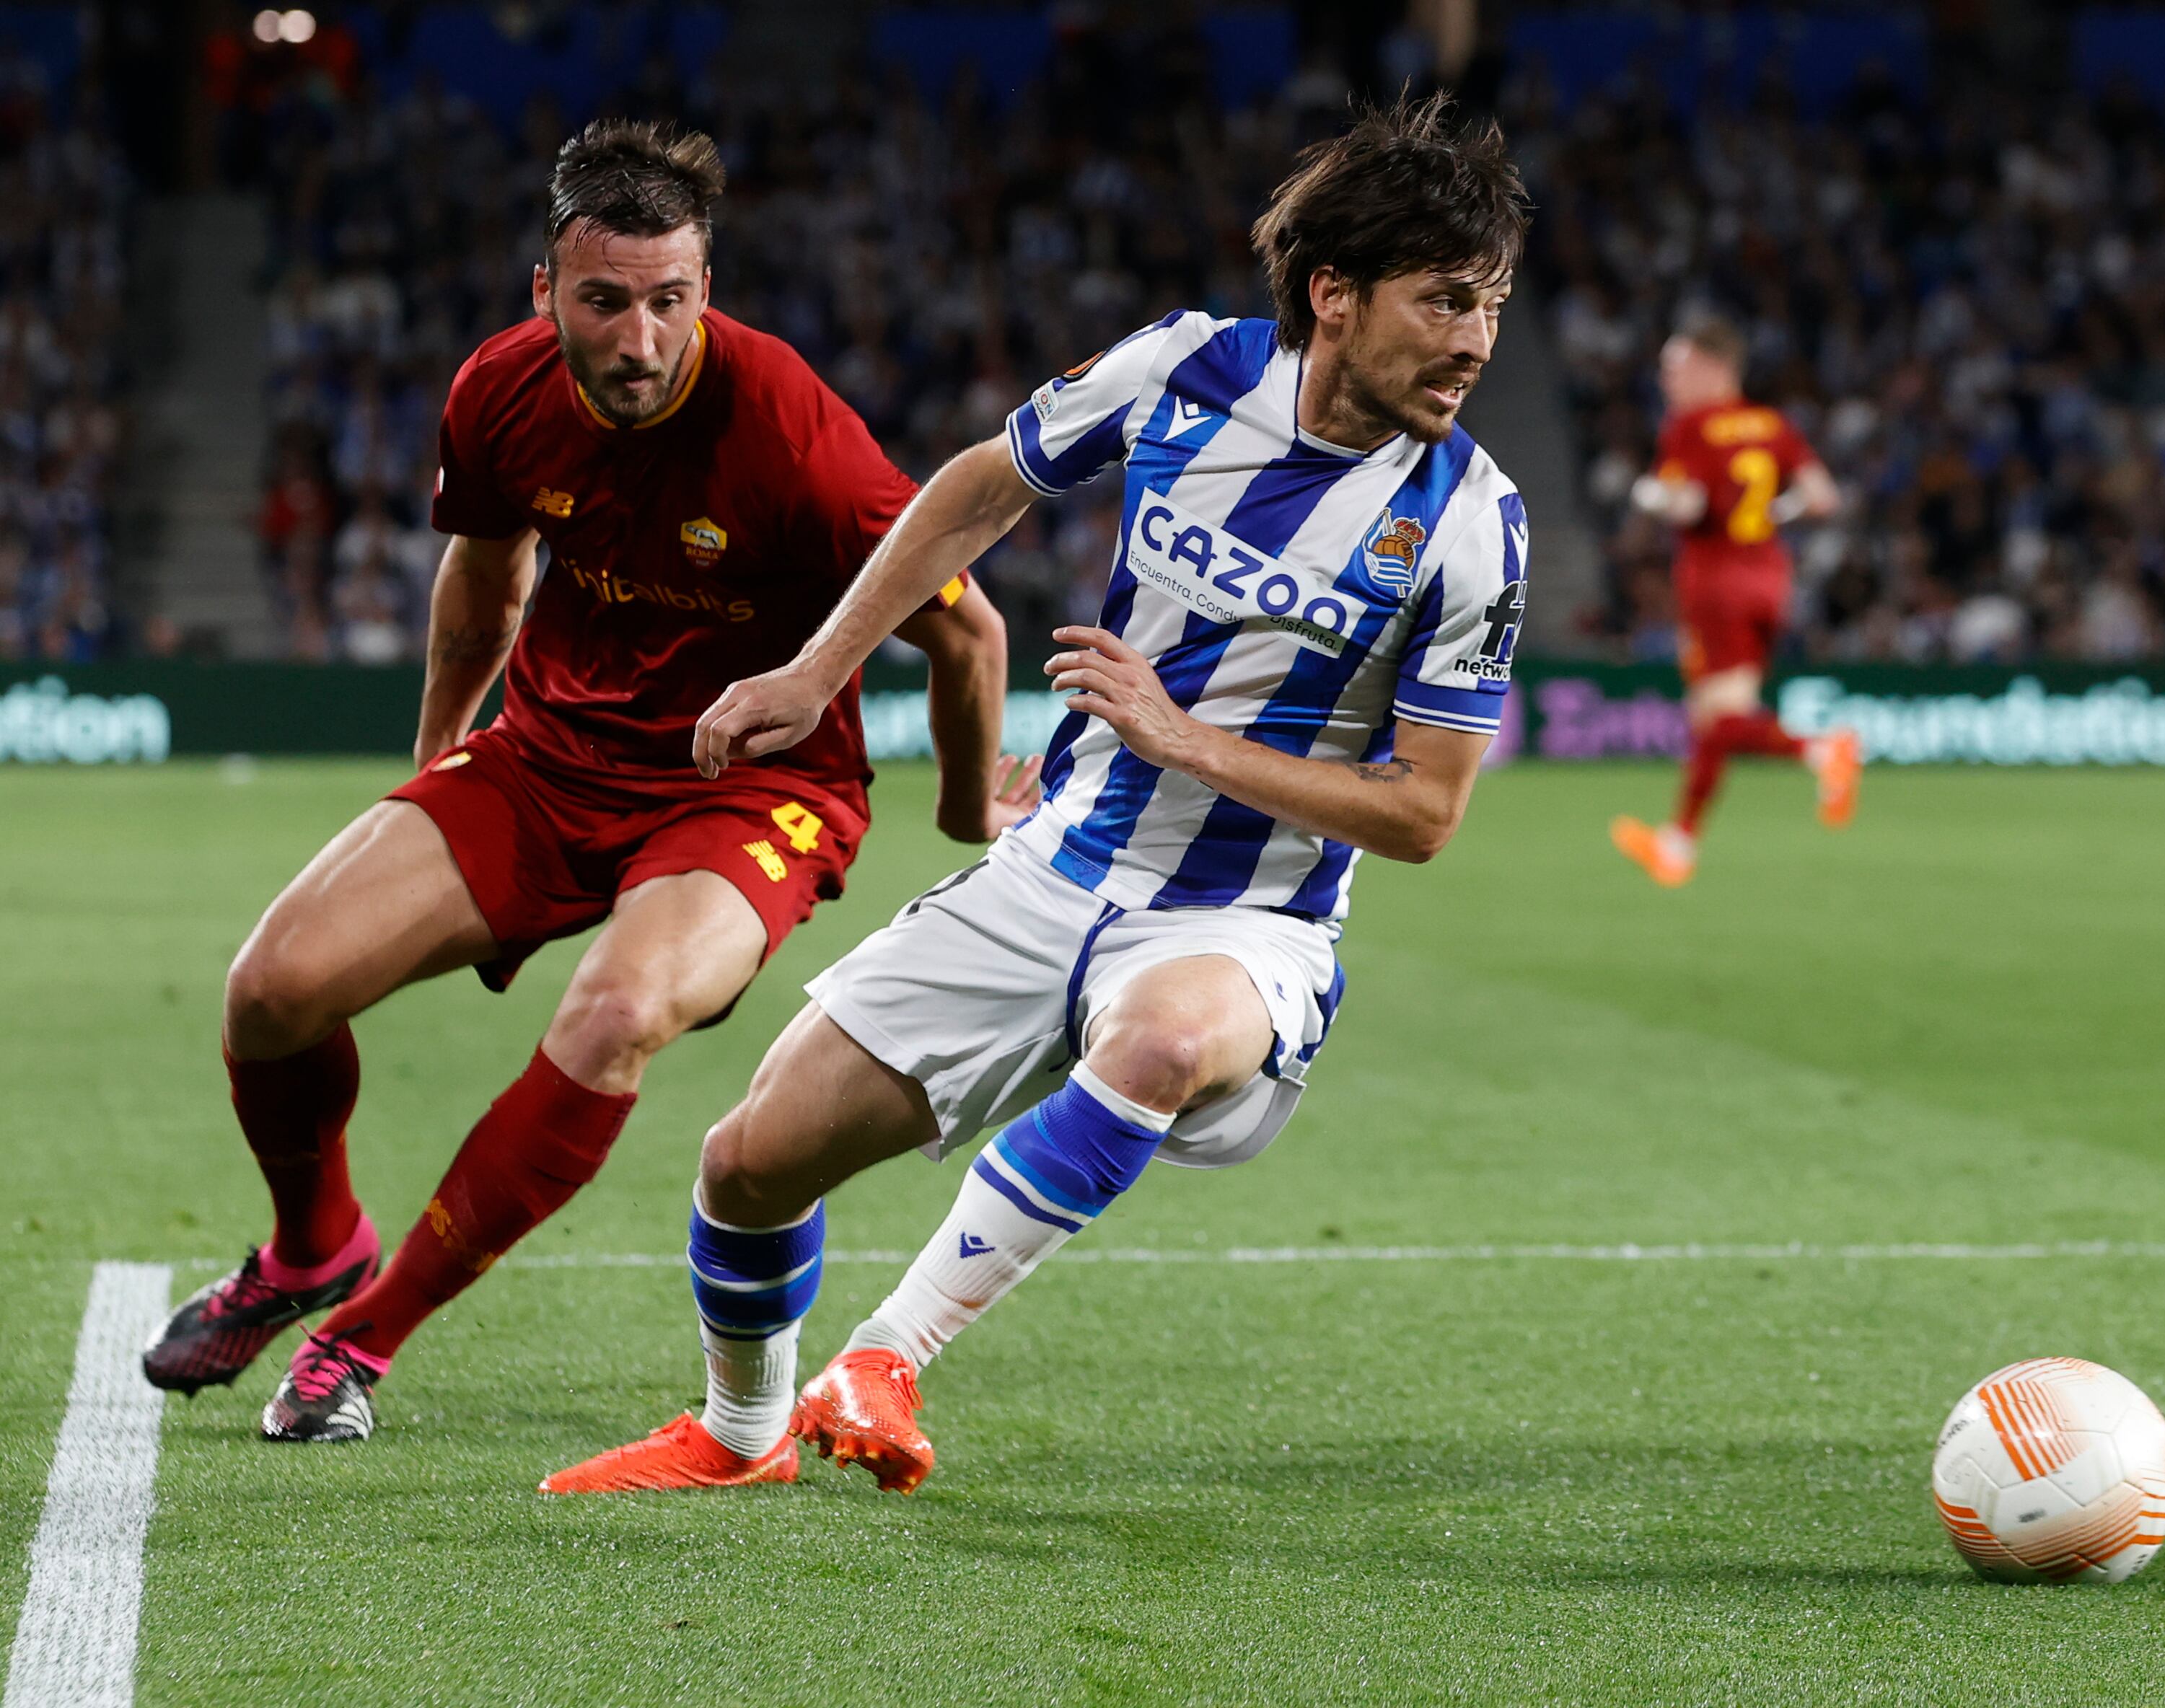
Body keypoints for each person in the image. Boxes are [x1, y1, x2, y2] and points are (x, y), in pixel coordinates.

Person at [542, 94, 1532, 1496]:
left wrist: (1184, 741)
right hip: (1053, 866)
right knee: (750, 1161)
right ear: (1333, 293)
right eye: (1443, 301)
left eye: (1487, 306)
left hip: (1246, 917)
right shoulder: (1184, 374)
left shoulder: (1471, 525)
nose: (1474, 341)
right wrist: (817, 670)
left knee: (1165, 1034)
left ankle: (883, 1352)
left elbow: (1425, 810)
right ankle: (739, 1432)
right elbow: (974, 492)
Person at [141, 120, 1016, 1445]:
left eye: (670, 301)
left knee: (615, 1013)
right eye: (605, 300)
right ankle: (313, 1246)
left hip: (747, 793)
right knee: (271, 991)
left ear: (704, 293)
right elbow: (483, 579)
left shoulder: (790, 432)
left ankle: (359, 1338)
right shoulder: (498, 389)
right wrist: (436, 767)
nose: (641, 339)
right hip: (550, 758)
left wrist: (964, 813)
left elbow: (969, 629)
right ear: (545, 291)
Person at [1610, 313, 1859, 888]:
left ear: (1712, 367)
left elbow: (1690, 508)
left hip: (1715, 582)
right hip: (1769, 577)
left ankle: (1821, 749)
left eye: (1675, 367)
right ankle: (1679, 843)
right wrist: (1776, 513)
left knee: (1721, 718)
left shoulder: (1690, 425)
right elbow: (1822, 497)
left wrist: (1648, 494)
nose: (1666, 379)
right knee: (1710, 719)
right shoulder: (1770, 424)